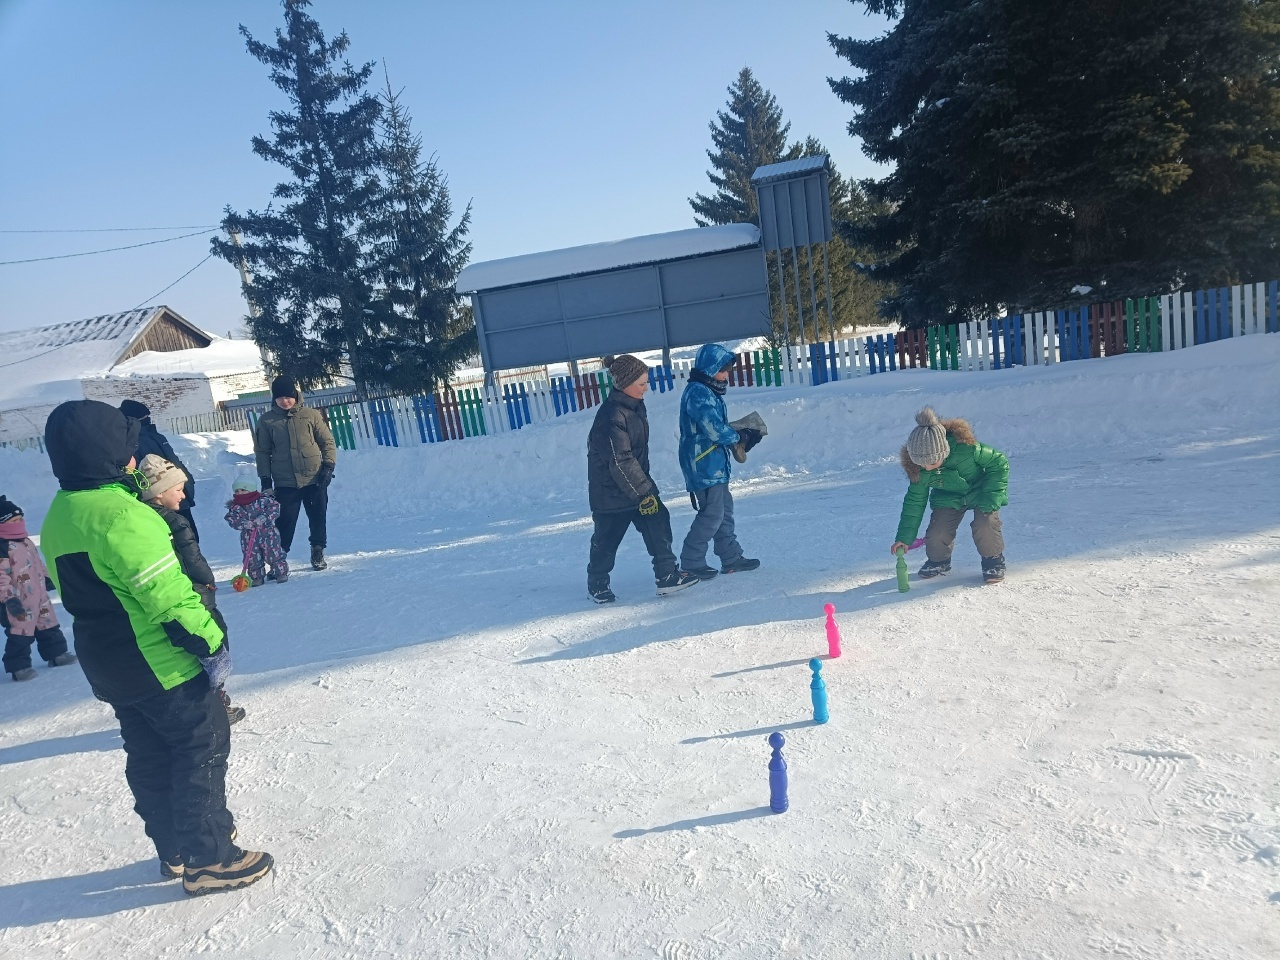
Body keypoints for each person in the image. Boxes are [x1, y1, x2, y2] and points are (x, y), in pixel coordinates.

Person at [40, 399, 272, 896]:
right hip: (160, 663)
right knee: (199, 748)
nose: (132, 458)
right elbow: (167, 596)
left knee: (148, 753)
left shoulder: (60, 514)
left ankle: (174, 847)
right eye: (125, 449)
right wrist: (212, 644)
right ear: (106, 453)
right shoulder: (124, 515)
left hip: (108, 665)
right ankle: (210, 857)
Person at [137, 455, 246, 724]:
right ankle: (215, 700)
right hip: (194, 594)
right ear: (159, 493)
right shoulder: (176, 522)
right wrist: (207, 582)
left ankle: (211, 698)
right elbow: (193, 559)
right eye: (178, 489)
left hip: (172, 595)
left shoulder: (142, 519)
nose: (184, 495)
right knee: (215, 640)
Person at [586, 354, 699, 603]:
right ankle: (597, 583)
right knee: (607, 540)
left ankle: (667, 576)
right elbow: (620, 460)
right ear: (625, 383)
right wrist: (644, 493)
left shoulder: (633, 407)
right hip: (611, 493)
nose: (646, 387)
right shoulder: (611, 416)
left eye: (646, 382)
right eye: (642, 383)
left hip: (636, 485)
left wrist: (644, 491)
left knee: (658, 522)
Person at [890, 407, 1009, 584]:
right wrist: (904, 538)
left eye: (931, 462)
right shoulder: (919, 471)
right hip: (948, 496)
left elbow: (999, 463)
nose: (927, 467)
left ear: (943, 451)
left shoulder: (967, 449)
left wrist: (991, 495)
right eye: (921, 463)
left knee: (985, 523)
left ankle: (993, 560)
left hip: (980, 490)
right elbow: (914, 503)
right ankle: (939, 561)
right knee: (938, 530)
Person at [676, 343, 762, 580]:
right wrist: (739, 436)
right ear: (710, 368)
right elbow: (713, 428)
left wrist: (739, 433)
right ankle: (691, 562)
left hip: (713, 463)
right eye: (723, 370)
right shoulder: (698, 393)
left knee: (724, 511)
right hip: (702, 464)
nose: (726, 376)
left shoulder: (707, 390)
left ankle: (730, 556)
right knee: (712, 514)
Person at [254, 376, 336, 571]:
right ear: (274, 398)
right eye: (280, 397)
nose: (285, 401)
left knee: (318, 516)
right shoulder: (267, 421)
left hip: (314, 477)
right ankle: (278, 559)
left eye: (288, 396)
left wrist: (328, 466)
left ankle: (317, 550)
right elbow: (262, 452)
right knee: (284, 520)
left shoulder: (310, 415)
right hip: (285, 481)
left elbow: (327, 442)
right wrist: (266, 480)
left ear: (295, 395)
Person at [0, 495, 76, 681]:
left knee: (49, 625)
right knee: (20, 633)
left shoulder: (26, 542)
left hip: (39, 595)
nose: (19, 524)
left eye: (21, 519)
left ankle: (57, 655)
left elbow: (37, 564)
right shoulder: (3, 548)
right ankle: (19, 667)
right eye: (13, 521)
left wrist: (49, 578)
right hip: (17, 601)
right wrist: (8, 598)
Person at [119, 399, 199, 541]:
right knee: (178, 541)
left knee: (191, 538)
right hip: (160, 499)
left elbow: (174, 460)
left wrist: (187, 481)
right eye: (144, 417)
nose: (148, 419)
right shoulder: (131, 443)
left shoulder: (156, 436)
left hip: (180, 494)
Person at [225, 475, 288, 587]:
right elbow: (231, 519)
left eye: (243, 490)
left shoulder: (263, 501)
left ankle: (280, 572)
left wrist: (263, 518)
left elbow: (275, 508)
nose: (239, 493)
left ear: (252, 489)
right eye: (237, 490)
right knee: (252, 557)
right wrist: (244, 524)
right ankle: (256, 577)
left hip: (268, 534)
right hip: (248, 537)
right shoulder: (236, 507)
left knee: (273, 553)